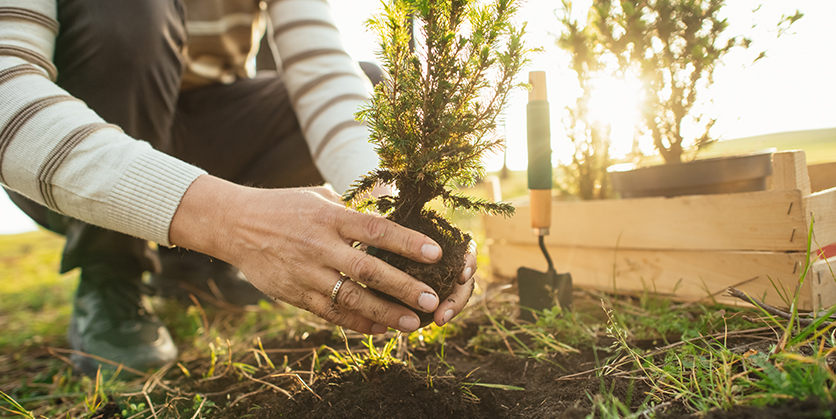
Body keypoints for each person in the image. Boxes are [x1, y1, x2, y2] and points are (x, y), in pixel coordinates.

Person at [0, 0, 476, 377]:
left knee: (365, 81)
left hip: (209, 128)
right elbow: (7, 92)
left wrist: (386, 217)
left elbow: (322, 73)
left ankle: (190, 264)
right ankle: (111, 270)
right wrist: (231, 221)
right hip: (77, 130)